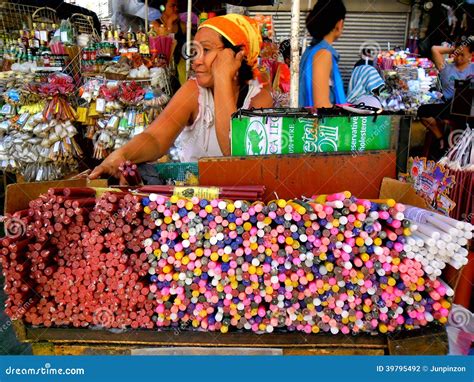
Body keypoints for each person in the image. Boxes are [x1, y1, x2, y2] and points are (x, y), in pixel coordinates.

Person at [89, 14, 273, 181]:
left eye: (206, 50)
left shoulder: (259, 98)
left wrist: (223, 77)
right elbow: (155, 138)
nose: (196, 60)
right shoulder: (194, 91)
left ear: (237, 56)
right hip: (196, 204)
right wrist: (120, 156)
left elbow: (235, 152)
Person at [417, 38, 473, 149]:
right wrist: (455, 49)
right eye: (457, 54)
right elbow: (435, 49)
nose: (458, 57)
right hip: (449, 107)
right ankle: (440, 139)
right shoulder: (445, 67)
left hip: (470, 108)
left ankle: (463, 150)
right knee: (422, 111)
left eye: (462, 54)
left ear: (471, 54)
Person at [299, 0, 347, 108]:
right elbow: (322, 107)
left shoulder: (310, 51)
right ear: (339, 24)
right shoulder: (323, 54)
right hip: (322, 124)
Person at [150, 0, 189, 86]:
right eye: (172, 6)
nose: (176, 8)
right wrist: (169, 22)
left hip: (180, 65)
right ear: (162, 8)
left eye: (177, 6)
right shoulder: (155, 24)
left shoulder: (182, 25)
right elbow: (166, 42)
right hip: (162, 66)